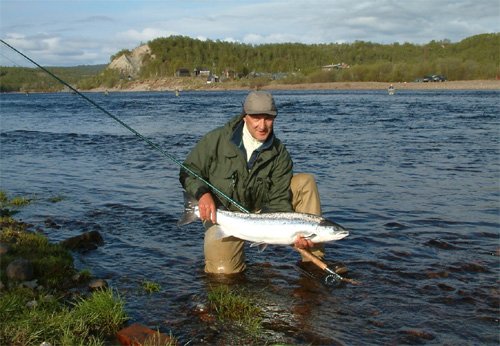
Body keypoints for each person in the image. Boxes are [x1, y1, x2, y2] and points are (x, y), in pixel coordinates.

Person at [179, 91, 328, 275]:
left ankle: (313, 259)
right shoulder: (216, 139)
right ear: (245, 117)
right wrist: (202, 194)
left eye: (268, 118)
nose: (262, 125)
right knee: (223, 274)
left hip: (262, 213)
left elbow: (279, 201)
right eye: (256, 118)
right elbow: (187, 171)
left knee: (306, 182)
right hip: (224, 217)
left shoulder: (280, 154)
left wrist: (288, 235)